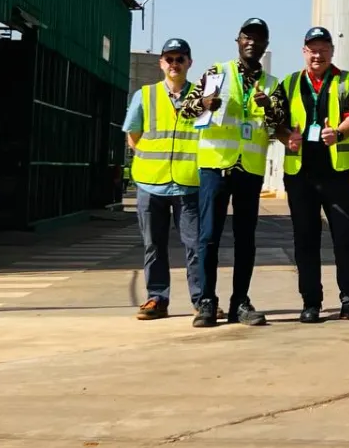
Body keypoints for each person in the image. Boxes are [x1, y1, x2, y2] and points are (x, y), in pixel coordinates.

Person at [180, 18, 285, 328]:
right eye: (247, 37)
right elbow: (186, 110)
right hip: (216, 165)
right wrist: (203, 102)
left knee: (245, 239)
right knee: (208, 236)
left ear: (266, 45)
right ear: (238, 41)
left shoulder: (272, 85)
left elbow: (277, 123)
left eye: (259, 38)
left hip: (249, 169)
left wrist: (268, 108)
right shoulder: (216, 73)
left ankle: (240, 301)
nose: (252, 42)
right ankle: (207, 303)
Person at [275, 27, 349, 324]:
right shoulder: (290, 82)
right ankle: (311, 302)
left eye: (322, 49)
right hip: (300, 175)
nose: (317, 54)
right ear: (303, 52)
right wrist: (286, 138)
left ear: (332, 50)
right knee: (305, 240)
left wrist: (340, 132)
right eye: (311, 49)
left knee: (346, 238)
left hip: (336, 173)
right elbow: (276, 123)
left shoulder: (347, 80)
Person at [122, 37, 202, 321]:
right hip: (150, 183)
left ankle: (202, 300)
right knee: (154, 244)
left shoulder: (202, 97)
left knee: (195, 244)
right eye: (169, 59)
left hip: (188, 183)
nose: (175, 64)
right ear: (161, 63)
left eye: (180, 59)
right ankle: (157, 298)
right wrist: (144, 155)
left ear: (189, 63)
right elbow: (132, 131)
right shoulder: (145, 95)